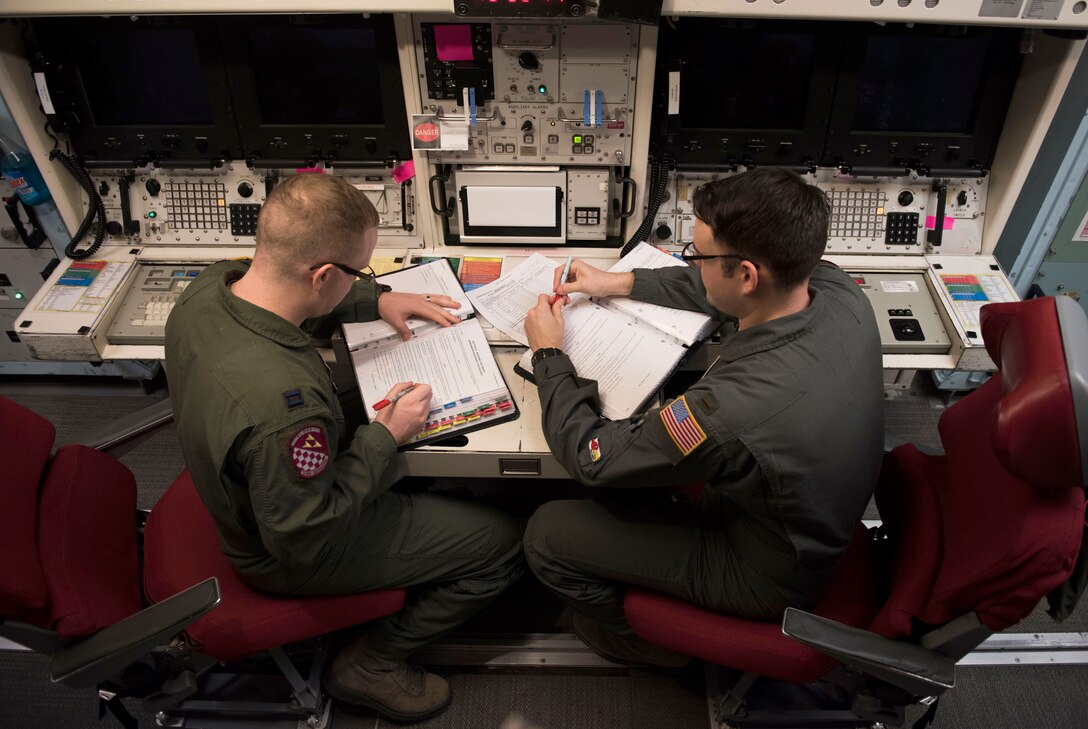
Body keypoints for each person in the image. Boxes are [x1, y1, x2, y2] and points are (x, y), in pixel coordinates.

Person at [165, 174, 523, 721]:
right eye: (360, 272)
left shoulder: (209, 288)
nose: (363, 279)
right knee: (501, 544)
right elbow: (305, 536)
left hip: (252, 491)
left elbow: (290, 285)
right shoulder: (285, 411)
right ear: (323, 275)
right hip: (287, 550)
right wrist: (385, 436)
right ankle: (372, 663)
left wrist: (378, 297)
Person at [521, 167, 884, 667]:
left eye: (699, 255)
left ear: (748, 275)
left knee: (545, 533)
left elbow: (592, 459)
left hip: (760, 573)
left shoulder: (730, 409)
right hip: (802, 519)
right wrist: (619, 281)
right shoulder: (837, 290)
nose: (693, 263)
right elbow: (720, 286)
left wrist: (547, 354)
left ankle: (652, 644)